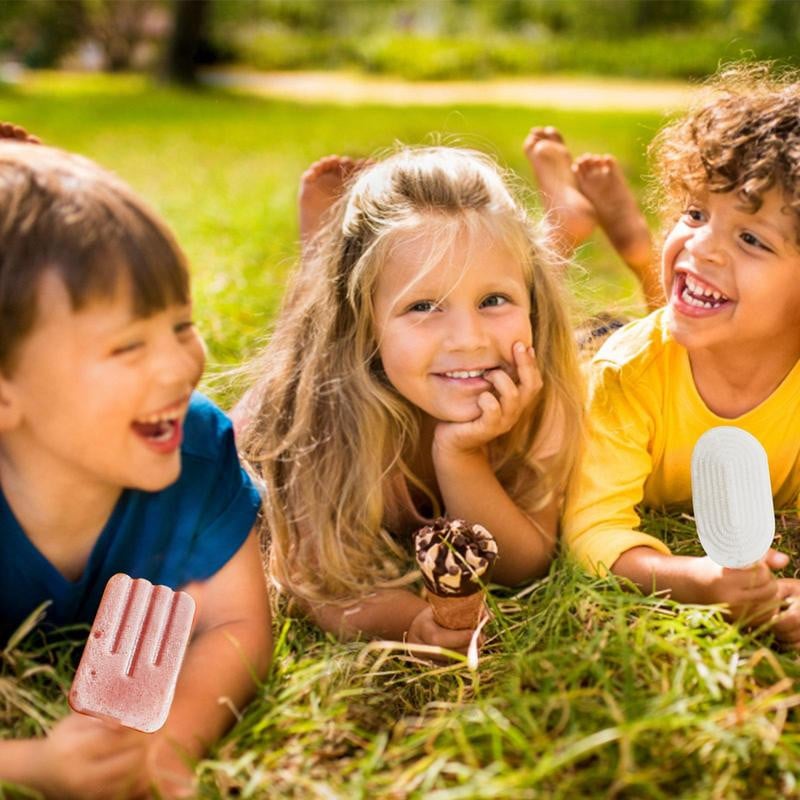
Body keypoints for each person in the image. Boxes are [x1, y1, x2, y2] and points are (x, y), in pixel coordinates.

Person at [0, 139, 272, 798]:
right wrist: (31, 765)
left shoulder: (197, 447)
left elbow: (237, 624)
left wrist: (171, 740)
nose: (182, 367)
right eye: (128, 346)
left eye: (182, 326)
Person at [236, 145, 585, 654]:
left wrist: (461, 456)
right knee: (308, 331)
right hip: (284, 421)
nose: (468, 339)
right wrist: (412, 621)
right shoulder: (322, 413)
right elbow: (317, 584)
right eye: (423, 305)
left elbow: (524, 565)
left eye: (494, 300)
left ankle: (332, 254)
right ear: (364, 324)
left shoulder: (539, 385)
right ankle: (319, 254)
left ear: (533, 303)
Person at [561, 62, 800, 646]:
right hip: (590, 360)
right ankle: (592, 233)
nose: (700, 246)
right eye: (695, 213)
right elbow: (591, 531)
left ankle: (628, 242)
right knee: (545, 358)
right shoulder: (627, 373)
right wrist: (694, 579)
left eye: (751, 238)